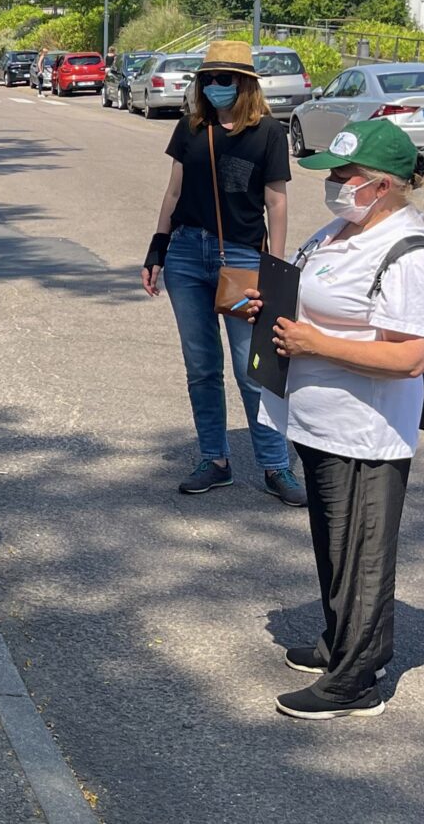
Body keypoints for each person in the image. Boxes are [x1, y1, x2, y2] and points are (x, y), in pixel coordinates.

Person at [247, 118, 424, 720]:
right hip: (321, 421)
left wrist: (315, 343)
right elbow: (317, 297)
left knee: (361, 555)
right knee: (335, 546)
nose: (334, 184)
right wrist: (273, 308)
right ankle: (343, 644)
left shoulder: (409, 254)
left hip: (366, 431)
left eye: (345, 175)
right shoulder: (343, 230)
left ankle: (355, 683)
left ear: (383, 185)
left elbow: (409, 357)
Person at [141, 39, 301, 504]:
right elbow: (173, 193)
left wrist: (274, 267)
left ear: (244, 83)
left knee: (254, 368)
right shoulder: (191, 127)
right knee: (201, 366)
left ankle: (275, 465)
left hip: (242, 258)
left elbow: (276, 202)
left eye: (223, 79)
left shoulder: (268, 132)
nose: (214, 86)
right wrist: (157, 249)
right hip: (187, 255)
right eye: (207, 79)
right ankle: (214, 459)